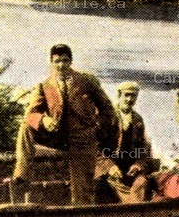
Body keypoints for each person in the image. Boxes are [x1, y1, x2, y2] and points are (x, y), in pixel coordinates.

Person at [11, 43, 117, 204]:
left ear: (71, 61)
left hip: (82, 138)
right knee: (27, 126)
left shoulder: (86, 81)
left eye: (65, 61)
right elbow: (31, 114)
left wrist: (97, 130)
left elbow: (107, 109)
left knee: (83, 192)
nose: (61, 66)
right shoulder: (44, 86)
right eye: (57, 61)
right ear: (51, 63)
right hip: (57, 136)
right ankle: (21, 173)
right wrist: (44, 120)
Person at [97, 81, 154, 203]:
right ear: (119, 96)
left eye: (133, 96)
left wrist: (138, 164)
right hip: (109, 169)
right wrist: (110, 167)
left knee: (142, 182)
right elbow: (95, 147)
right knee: (116, 188)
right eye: (126, 95)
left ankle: (136, 211)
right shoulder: (107, 117)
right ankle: (133, 212)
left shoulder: (138, 120)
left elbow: (142, 149)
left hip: (129, 170)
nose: (129, 99)